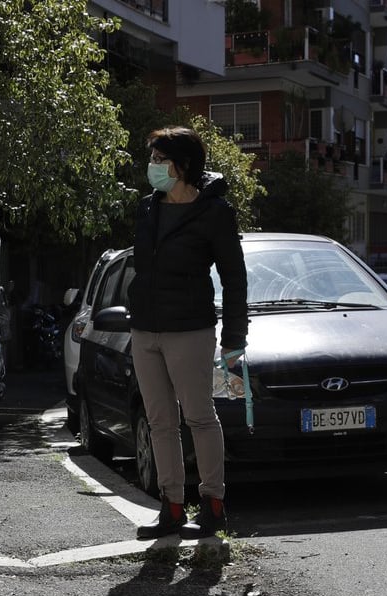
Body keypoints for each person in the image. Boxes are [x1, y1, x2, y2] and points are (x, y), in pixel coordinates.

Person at [127, 126, 248, 540]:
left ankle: (213, 506)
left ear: (183, 165)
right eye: (153, 158)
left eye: (160, 160)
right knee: (160, 422)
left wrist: (235, 339)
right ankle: (172, 509)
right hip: (146, 330)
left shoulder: (215, 213)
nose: (153, 167)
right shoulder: (147, 208)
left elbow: (235, 279)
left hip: (191, 330)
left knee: (199, 417)